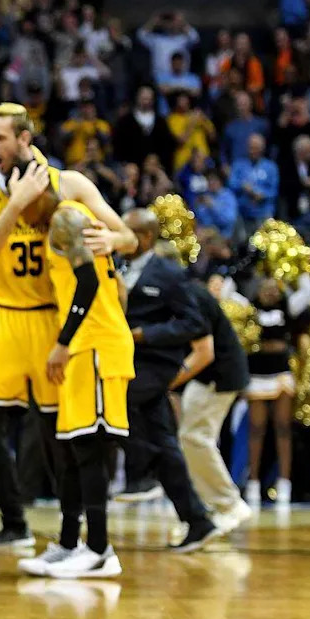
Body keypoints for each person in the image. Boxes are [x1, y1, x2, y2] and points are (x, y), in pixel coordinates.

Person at [0, 103, 137, 579]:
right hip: (1, 319)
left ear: (23, 139)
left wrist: (112, 243)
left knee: (67, 440)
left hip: (55, 326)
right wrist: (15, 205)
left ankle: (73, 540)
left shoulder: (70, 185)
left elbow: (128, 237)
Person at [19, 198, 134, 578]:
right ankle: (71, 543)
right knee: (71, 448)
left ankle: (99, 549)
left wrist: (65, 341)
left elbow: (88, 283)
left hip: (94, 346)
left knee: (89, 448)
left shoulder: (66, 218)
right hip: (84, 345)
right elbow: (117, 291)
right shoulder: (70, 223)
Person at [117, 209, 221, 552]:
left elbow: (194, 324)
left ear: (145, 237)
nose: (119, 235)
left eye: (126, 231)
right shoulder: (115, 266)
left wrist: (147, 334)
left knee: (119, 402)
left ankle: (141, 475)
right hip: (126, 362)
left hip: (155, 365)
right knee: (166, 445)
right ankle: (197, 520)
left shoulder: (169, 273)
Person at [165, 263, 252, 532]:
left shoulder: (189, 296)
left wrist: (166, 383)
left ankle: (230, 504)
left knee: (195, 438)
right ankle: (209, 503)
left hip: (219, 375)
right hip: (204, 376)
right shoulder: (186, 292)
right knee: (190, 439)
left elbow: (205, 353)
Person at [245, 274, 310, 506]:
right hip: (256, 376)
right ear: (257, 290)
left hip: (280, 375)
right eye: (266, 288)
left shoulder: (288, 309)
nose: (271, 292)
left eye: (275, 289)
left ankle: (285, 483)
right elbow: (228, 293)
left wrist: (298, 265)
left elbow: (306, 292)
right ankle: (253, 483)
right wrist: (243, 267)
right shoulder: (249, 311)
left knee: (283, 429)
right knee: (256, 430)